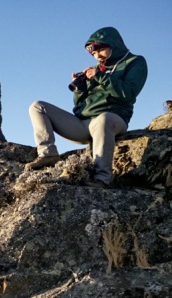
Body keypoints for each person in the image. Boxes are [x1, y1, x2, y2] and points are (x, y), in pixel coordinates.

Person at [26, 27, 147, 188]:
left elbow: (128, 93)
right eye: (93, 53)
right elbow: (79, 105)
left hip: (113, 119)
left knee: (104, 119)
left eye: (100, 50)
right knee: (37, 106)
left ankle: (102, 179)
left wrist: (101, 77)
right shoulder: (95, 69)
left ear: (113, 44)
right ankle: (48, 154)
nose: (97, 56)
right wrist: (81, 88)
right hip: (83, 124)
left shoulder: (135, 62)